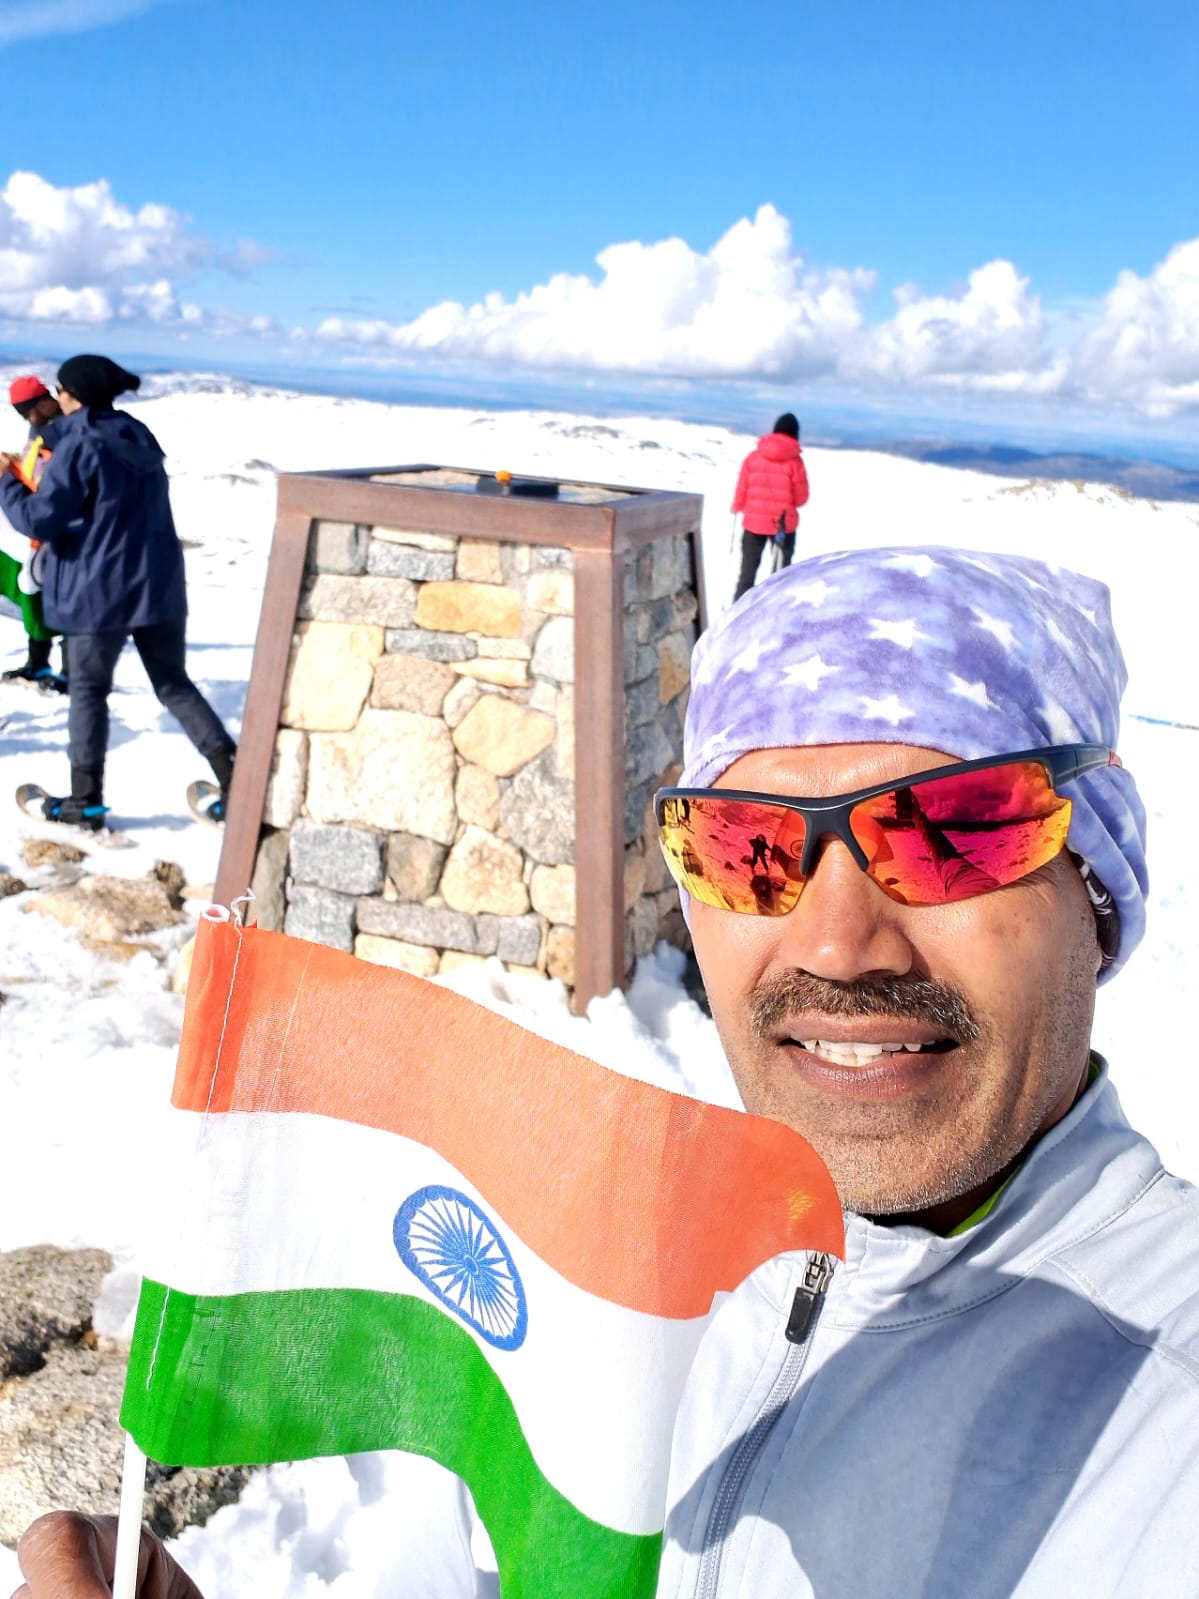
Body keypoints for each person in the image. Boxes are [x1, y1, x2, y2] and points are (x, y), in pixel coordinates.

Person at [14, 546, 1199, 1597]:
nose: (837, 944)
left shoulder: (1165, 1408)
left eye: (950, 830)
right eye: (746, 848)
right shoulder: (610, 1274)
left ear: (1097, 894)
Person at [0, 355, 236, 830]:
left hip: (97, 591)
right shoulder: (137, 434)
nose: (57, 397)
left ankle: (84, 803)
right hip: (159, 586)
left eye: (61, 390)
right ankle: (238, 780)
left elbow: (41, 518)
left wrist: (6, 482)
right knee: (173, 684)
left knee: (87, 692)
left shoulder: (80, 445)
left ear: (73, 395)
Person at [0, 375, 67, 691]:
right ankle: (38, 665)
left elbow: (52, 477)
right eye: (21, 412)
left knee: (60, 596)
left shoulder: (66, 428)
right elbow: (35, 464)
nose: (28, 418)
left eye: (29, 410)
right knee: (34, 588)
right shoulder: (41, 427)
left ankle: (67, 673)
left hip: (61, 529)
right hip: (40, 529)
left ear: (44, 400)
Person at [730, 412, 809, 603]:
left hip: (753, 524)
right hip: (782, 526)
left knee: (746, 576)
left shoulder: (753, 457)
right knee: (780, 578)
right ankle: (775, 616)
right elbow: (801, 498)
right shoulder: (795, 462)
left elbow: (742, 488)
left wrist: (738, 506)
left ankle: (735, 619)